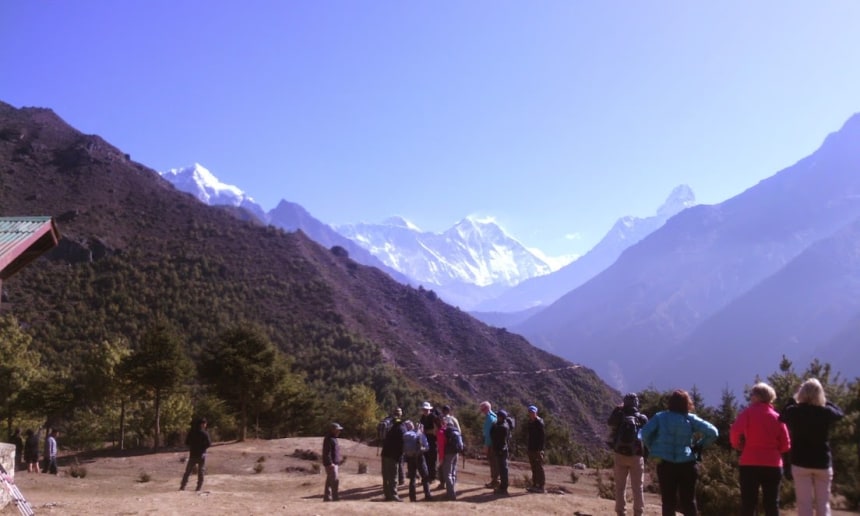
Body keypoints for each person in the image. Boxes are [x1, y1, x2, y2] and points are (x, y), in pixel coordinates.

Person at [640, 389, 718, 516]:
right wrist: (699, 446)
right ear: (686, 404)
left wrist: (654, 447)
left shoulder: (660, 417)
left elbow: (644, 434)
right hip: (687, 464)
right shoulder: (690, 418)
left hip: (665, 464)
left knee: (668, 502)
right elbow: (713, 432)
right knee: (689, 501)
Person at [779, 378, 844, 516]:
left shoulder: (794, 411)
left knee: (804, 504)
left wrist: (791, 401)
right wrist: (826, 402)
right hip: (822, 462)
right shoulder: (825, 412)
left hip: (800, 462)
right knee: (823, 504)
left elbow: (781, 416)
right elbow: (840, 413)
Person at [730, 382, 791, 516]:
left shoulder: (747, 413)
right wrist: (775, 451)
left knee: (748, 503)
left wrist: (737, 445)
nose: (750, 397)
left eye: (752, 394)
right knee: (771, 503)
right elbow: (786, 444)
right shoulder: (777, 417)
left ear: (757, 397)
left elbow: (735, 431)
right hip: (773, 465)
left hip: (749, 463)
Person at [607, 393, 649, 516]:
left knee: (620, 486)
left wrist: (617, 408)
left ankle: (621, 512)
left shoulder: (619, 416)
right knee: (638, 487)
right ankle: (638, 512)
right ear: (636, 403)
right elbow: (647, 436)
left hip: (620, 454)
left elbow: (610, 422)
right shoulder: (642, 418)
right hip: (636, 455)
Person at [402, 420, 432, 501]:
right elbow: (427, 447)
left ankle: (412, 497)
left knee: (412, 478)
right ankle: (427, 495)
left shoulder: (405, 435)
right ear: (412, 426)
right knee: (425, 476)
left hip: (410, 458)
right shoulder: (419, 434)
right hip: (419, 457)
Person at [180, 417, 212, 491]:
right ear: (202, 424)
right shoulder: (205, 433)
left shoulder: (191, 432)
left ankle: (182, 486)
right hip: (202, 455)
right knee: (201, 472)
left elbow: (187, 442)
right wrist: (203, 448)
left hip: (193, 454)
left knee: (188, 471)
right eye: (205, 424)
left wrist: (193, 445)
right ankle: (198, 487)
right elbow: (209, 444)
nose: (205, 425)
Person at [380, 410, 405, 501]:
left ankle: (387, 495)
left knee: (386, 476)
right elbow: (403, 443)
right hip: (394, 455)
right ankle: (394, 496)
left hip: (385, 453)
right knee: (393, 477)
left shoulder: (388, 425)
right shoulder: (401, 428)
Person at [440, 416, 463, 500]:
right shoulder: (456, 431)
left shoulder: (446, 431)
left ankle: (450, 495)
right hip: (456, 453)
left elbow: (442, 445)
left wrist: (441, 457)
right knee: (453, 473)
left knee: (447, 474)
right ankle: (452, 491)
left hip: (448, 453)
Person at [525, 404, 547, 493]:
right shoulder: (530, 423)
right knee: (533, 467)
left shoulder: (539, 423)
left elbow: (542, 437)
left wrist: (540, 449)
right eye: (530, 412)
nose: (531, 414)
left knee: (539, 467)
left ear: (536, 413)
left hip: (537, 449)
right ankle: (534, 484)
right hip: (531, 448)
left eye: (533, 412)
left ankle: (541, 486)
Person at [490, 409, 512, 496]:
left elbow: (493, 435)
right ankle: (503, 486)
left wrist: (494, 426)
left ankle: (503, 488)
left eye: (498, 416)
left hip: (501, 450)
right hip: (503, 449)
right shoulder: (504, 425)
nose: (497, 418)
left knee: (503, 469)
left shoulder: (502, 427)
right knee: (503, 469)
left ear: (501, 417)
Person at [479, 400, 499, 488]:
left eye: (482, 410)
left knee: (493, 463)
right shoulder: (495, 416)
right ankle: (496, 480)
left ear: (486, 409)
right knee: (496, 463)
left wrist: (486, 446)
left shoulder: (489, 418)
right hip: (496, 444)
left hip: (491, 445)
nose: (481, 412)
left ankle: (495, 481)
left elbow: (488, 434)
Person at [322, 422, 343, 502]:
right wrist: (330, 463)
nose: (339, 432)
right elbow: (327, 452)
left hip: (334, 463)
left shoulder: (334, 438)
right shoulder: (329, 439)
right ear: (333, 430)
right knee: (334, 480)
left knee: (329, 481)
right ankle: (335, 497)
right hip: (331, 464)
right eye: (337, 430)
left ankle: (327, 497)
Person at [419, 401, 439, 484]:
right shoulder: (423, 417)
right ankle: (426, 477)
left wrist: (425, 432)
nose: (425, 410)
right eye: (424, 409)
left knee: (432, 459)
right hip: (425, 441)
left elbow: (436, 430)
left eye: (426, 409)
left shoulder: (433, 417)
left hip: (433, 441)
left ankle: (432, 477)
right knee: (426, 459)